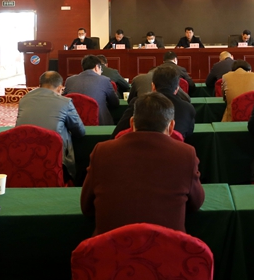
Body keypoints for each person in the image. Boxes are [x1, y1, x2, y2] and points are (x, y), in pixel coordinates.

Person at [81, 92, 205, 235]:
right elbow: (196, 204)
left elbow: (86, 207)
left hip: (110, 246)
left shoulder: (102, 151)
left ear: (131, 123)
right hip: (167, 246)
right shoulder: (186, 154)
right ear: (171, 126)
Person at [15, 71, 86, 180]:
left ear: (40, 85)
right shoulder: (65, 102)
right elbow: (80, 131)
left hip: (22, 157)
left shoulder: (24, 100)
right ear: (60, 88)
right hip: (54, 161)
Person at [113, 64, 196, 139]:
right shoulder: (188, 108)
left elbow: (117, 135)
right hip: (175, 149)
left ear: (153, 86)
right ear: (177, 89)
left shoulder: (139, 104)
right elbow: (188, 135)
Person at [64, 55, 120, 125]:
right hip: (99, 124)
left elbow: (64, 101)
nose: (101, 72)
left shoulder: (69, 80)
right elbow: (115, 103)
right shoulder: (104, 80)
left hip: (73, 123)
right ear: (97, 67)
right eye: (101, 69)